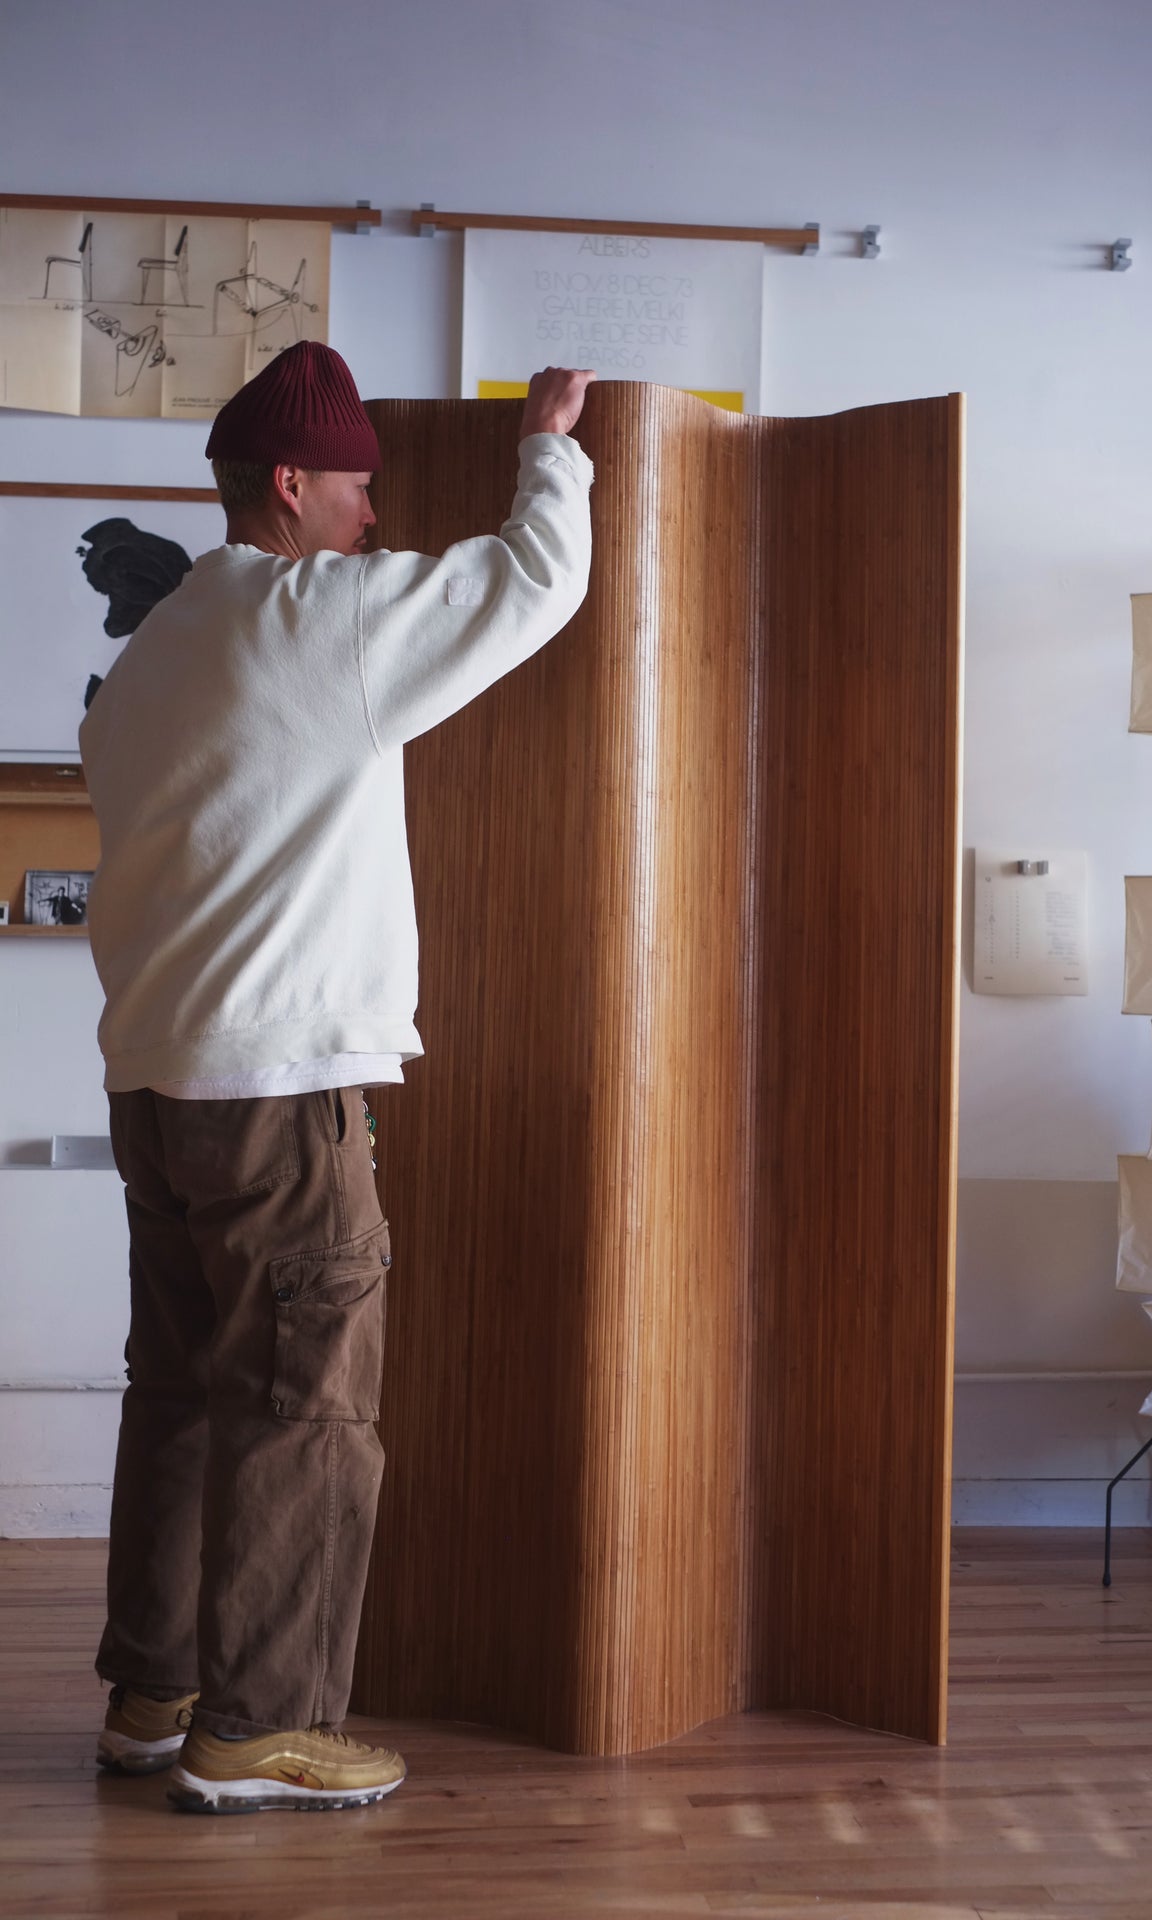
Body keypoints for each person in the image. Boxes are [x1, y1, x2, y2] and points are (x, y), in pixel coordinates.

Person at [80, 342, 595, 1813]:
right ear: (292, 487)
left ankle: (155, 1696)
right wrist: (549, 442)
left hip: (161, 1085)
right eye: (361, 489)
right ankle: (265, 1728)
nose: (378, 518)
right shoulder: (316, 622)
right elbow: (530, 587)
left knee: (181, 1391)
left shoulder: (161, 642)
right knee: (306, 1405)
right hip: (280, 1087)